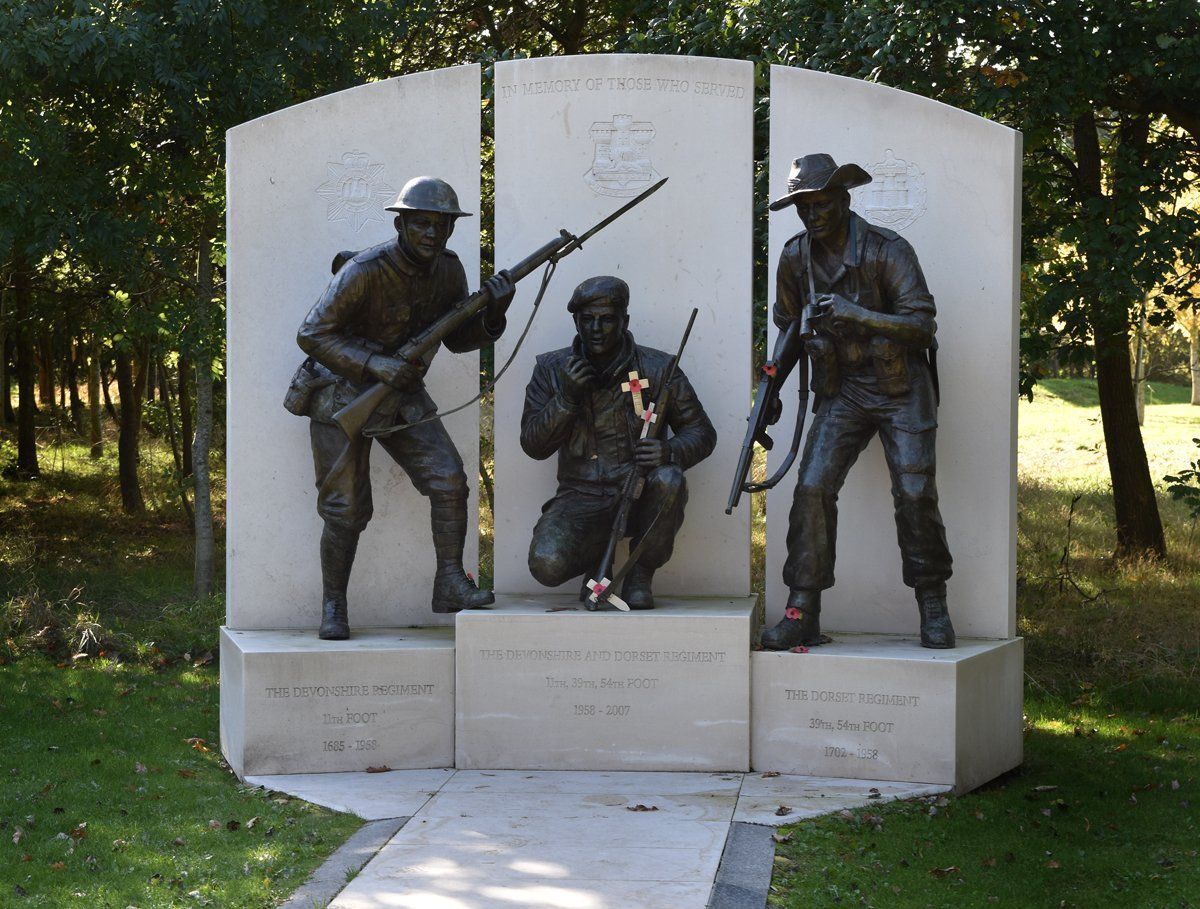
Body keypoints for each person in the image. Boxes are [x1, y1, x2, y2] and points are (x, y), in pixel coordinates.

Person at [287, 176, 514, 639]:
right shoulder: (365, 269)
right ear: (402, 223)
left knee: (449, 478)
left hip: (402, 395)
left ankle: (450, 582)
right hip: (341, 393)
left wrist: (493, 312)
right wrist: (376, 364)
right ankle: (333, 605)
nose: (432, 234)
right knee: (345, 511)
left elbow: (456, 338)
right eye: (422, 224)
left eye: (441, 225)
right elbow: (311, 333)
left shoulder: (450, 271)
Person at [759, 153, 955, 650]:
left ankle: (932, 602)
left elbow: (921, 325)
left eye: (820, 203)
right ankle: (802, 609)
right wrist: (770, 388)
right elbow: (789, 327)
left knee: (914, 494)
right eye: (803, 206)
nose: (812, 214)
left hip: (900, 388)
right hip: (842, 388)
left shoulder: (888, 250)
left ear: (844, 199)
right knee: (810, 490)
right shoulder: (793, 257)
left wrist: (859, 314)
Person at [520, 275, 716, 609]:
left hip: (639, 489)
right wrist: (565, 400)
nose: (596, 328)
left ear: (624, 320)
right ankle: (598, 567)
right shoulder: (551, 369)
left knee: (670, 480)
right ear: (576, 321)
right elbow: (533, 445)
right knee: (546, 565)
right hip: (580, 497)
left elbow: (702, 432)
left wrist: (669, 451)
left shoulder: (659, 367)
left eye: (607, 319)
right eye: (587, 319)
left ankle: (640, 573)